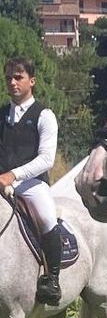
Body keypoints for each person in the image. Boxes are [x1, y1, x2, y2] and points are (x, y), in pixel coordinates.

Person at [1, 57, 62, 305]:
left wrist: (14, 175)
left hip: (32, 183)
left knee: (47, 216)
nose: (12, 82)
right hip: (2, 182)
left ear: (32, 81)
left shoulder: (44, 115)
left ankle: (52, 279)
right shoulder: (1, 114)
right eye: (8, 78)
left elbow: (47, 159)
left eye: (18, 77)